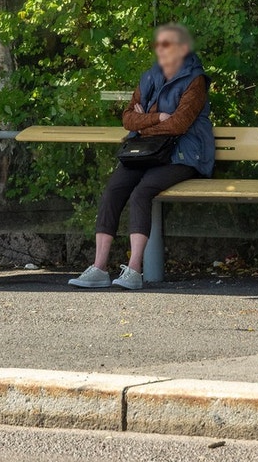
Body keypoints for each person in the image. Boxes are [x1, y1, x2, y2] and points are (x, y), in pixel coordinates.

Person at [70, 23, 214, 291]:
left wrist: (142, 122)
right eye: (158, 44)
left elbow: (180, 125)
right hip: (147, 151)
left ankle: (134, 270)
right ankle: (99, 268)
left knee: (141, 192)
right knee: (114, 189)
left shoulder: (195, 81)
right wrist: (157, 117)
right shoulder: (149, 77)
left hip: (183, 155)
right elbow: (127, 118)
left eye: (167, 44)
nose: (160, 49)